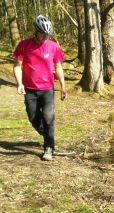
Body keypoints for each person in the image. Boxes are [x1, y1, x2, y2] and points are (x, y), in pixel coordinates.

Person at [13, 15, 66, 161]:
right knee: (33, 118)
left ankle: (49, 147)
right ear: (36, 31)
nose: (45, 37)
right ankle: (48, 135)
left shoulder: (53, 46)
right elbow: (17, 66)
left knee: (48, 118)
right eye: (42, 33)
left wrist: (62, 86)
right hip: (30, 89)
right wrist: (19, 83)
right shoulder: (24, 45)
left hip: (47, 88)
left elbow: (58, 66)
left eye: (47, 34)